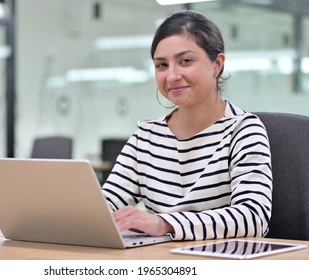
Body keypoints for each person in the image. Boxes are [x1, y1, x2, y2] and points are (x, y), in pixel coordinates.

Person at [101, 10, 272, 241]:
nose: (171, 76)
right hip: (163, 263)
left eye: (185, 61)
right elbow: (106, 204)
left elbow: (253, 218)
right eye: (161, 65)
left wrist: (166, 223)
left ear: (217, 64)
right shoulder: (146, 136)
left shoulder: (244, 130)